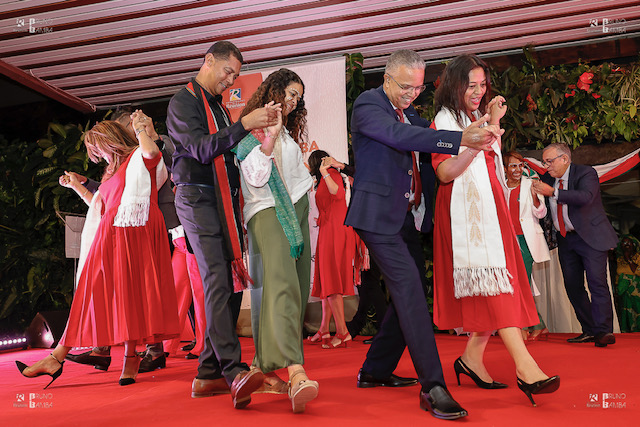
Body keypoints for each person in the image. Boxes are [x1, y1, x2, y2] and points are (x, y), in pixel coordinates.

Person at [344, 49, 503, 420]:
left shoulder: (410, 112)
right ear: (386, 79)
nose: (412, 94)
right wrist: (459, 138)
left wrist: (479, 129)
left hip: (406, 219)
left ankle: (375, 371)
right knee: (411, 289)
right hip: (376, 217)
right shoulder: (369, 104)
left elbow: (431, 163)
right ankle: (433, 386)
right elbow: (400, 136)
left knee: (410, 294)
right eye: (405, 87)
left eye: (417, 88)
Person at [431, 54, 559, 407]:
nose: (478, 91)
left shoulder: (476, 118)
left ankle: (471, 358)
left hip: (492, 214)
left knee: (495, 287)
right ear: (454, 86)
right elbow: (443, 173)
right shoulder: (443, 122)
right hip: (466, 219)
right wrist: (473, 145)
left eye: (482, 84)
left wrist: (493, 121)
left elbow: (495, 172)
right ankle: (525, 367)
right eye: (470, 85)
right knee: (497, 287)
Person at [16, 116, 180, 387]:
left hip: (137, 230)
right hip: (111, 232)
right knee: (90, 291)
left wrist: (140, 128)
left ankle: (129, 357)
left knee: (132, 294)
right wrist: (76, 186)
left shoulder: (141, 157)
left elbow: (151, 151)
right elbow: (101, 206)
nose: (98, 154)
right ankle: (58, 355)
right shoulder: (111, 172)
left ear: (111, 140)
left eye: (99, 147)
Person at [166, 41, 279, 408]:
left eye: (236, 76)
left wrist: (258, 136)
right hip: (197, 197)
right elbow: (200, 149)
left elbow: (225, 150)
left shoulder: (214, 104)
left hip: (219, 199)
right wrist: (244, 123)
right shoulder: (183, 101)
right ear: (208, 60)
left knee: (228, 281)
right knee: (216, 278)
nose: (230, 80)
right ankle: (233, 371)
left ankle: (208, 373)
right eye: (227, 71)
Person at [234, 68, 318, 413]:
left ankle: (259, 371)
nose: (294, 100)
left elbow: (297, 177)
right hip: (267, 211)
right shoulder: (252, 130)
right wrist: (268, 140)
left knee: (294, 286)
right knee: (281, 283)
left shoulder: (286, 135)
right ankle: (296, 372)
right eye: (290, 92)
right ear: (274, 91)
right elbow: (255, 176)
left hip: (296, 208)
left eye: (298, 96)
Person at [533, 143, 619, 347]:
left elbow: (585, 197)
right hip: (566, 238)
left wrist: (553, 192)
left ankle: (604, 331)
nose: (546, 166)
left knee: (597, 283)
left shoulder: (586, 173)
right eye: (544, 162)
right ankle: (589, 330)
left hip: (591, 237)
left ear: (565, 159)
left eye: (550, 161)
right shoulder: (547, 178)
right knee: (573, 286)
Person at [307, 150, 357, 348]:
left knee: (332, 282)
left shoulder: (332, 174)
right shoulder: (321, 180)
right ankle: (324, 329)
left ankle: (343, 332)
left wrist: (326, 171)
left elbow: (337, 193)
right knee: (327, 282)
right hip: (328, 229)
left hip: (336, 231)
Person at [503, 151, 551, 340]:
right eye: (513, 166)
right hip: (506, 241)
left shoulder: (530, 185)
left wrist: (536, 198)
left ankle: (523, 326)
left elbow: (541, 213)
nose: (517, 170)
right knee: (514, 284)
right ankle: (537, 324)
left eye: (520, 166)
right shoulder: (500, 187)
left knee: (520, 283)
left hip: (526, 241)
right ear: (505, 168)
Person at [615, 235, 640, 332]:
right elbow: (618, 276)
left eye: (628, 243)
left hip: (636, 291)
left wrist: (629, 259)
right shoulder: (619, 260)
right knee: (625, 313)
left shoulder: (638, 257)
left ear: (634, 244)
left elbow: (638, 271)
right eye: (624, 243)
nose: (626, 245)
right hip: (624, 292)